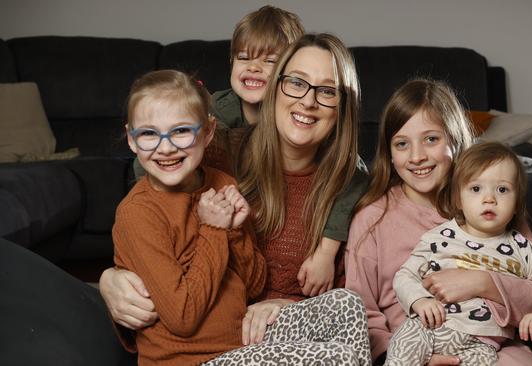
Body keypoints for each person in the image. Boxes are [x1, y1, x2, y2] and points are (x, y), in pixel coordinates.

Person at [101, 33, 372, 364]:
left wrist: (287, 304)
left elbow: (366, 287)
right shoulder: (220, 155)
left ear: (344, 105)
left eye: (327, 91)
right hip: (214, 342)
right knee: (334, 358)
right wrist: (109, 278)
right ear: (275, 87)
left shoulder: (353, 184)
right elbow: (157, 184)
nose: (308, 101)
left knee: (347, 306)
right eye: (297, 83)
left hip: (264, 331)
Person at [345, 79, 532, 366]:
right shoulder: (372, 219)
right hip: (410, 351)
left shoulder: (492, 206)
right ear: (389, 155)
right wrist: (416, 356)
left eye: (431, 139)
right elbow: (361, 315)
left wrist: (483, 282)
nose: (417, 156)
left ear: (455, 139)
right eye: (402, 144)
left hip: (489, 348)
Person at [385, 141, 532, 366]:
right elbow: (404, 276)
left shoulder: (523, 248)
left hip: (482, 345)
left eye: (502, 189)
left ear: (517, 203)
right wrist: (419, 300)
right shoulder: (439, 238)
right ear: (458, 198)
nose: (490, 199)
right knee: (402, 351)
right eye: (476, 189)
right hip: (428, 328)